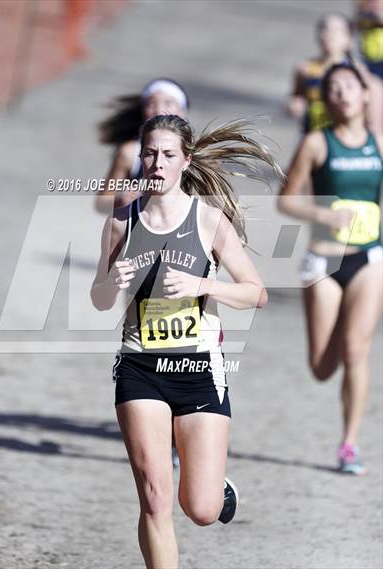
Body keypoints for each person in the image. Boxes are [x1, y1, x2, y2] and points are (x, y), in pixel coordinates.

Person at [91, 114, 282, 568]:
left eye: (168, 155)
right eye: (151, 153)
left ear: (185, 161)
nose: (157, 163)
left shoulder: (209, 222)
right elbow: (99, 300)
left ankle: (217, 488)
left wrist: (205, 287)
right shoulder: (122, 222)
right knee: (155, 500)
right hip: (139, 369)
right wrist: (111, 282)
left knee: (200, 509)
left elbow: (257, 293)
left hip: (198, 370)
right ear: (141, 158)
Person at [278, 62, 382, 475]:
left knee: (358, 350)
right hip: (325, 259)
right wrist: (326, 211)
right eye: (333, 88)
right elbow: (286, 200)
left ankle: (349, 444)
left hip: (369, 259)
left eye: (349, 87)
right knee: (323, 367)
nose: (341, 93)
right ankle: (343, 326)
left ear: (365, 95)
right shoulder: (316, 144)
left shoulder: (379, 143)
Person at [95, 78, 189, 214]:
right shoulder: (130, 153)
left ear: (182, 110)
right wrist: (121, 201)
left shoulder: (198, 152)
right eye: (151, 104)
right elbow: (101, 203)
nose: (159, 109)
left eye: (168, 103)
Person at [286, 12, 381, 135]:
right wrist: (293, 105)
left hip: (346, 139)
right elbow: (296, 97)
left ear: (349, 39)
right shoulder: (304, 68)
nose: (329, 34)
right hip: (313, 136)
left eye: (336, 30)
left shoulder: (358, 71)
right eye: (324, 28)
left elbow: (373, 104)